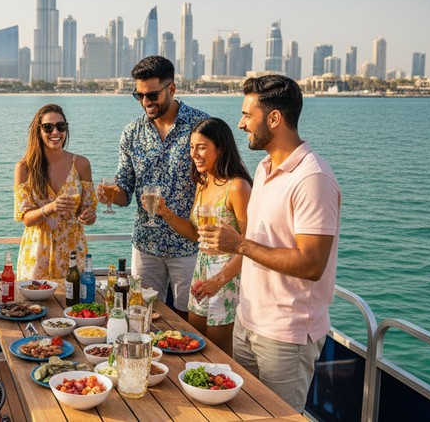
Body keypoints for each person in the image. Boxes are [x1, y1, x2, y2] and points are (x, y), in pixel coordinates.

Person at [199, 75, 341, 412]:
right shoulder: (264, 168)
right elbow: (260, 241)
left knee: (278, 417)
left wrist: (239, 245)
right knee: (243, 413)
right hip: (248, 322)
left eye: (248, 115)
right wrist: (223, 274)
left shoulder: (312, 179)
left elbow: (311, 264)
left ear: (274, 118)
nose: (241, 123)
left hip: (285, 335)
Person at [98, 55, 208, 320]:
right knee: (142, 315)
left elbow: (216, 181)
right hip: (146, 246)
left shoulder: (201, 126)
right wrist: (115, 194)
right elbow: (125, 189)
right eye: (139, 96)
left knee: (189, 318)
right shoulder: (131, 133)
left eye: (152, 95)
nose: (146, 102)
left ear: (171, 89)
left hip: (189, 244)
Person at [153, 117, 251, 355]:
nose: (193, 154)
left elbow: (250, 247)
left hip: (228, 277)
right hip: (202, 269)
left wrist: (218, 281)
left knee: (219, 354)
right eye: (191, 147)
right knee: (194, 346)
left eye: (201, 147)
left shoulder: (237, 187)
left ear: (221, 148)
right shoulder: (203, 182)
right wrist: (166, 213)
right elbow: (196, 234)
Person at [14, 104, 97, 280]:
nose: (55, 132)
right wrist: (51, 207)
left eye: (61, 126)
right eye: (48, 127)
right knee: (35, 306)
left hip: (73, 252)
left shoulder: (81, 164)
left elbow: (88, 211)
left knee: (75, 305)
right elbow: (26, 219)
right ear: (38, 131)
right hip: (37, 254)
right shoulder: (24, 168)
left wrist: (88, 216)